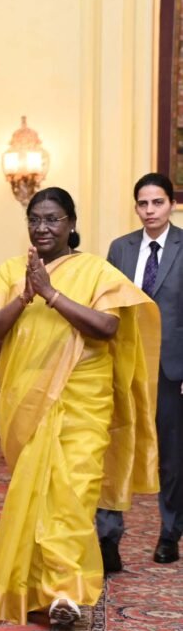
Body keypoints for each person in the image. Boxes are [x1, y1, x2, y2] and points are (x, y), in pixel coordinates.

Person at [0, 187, 159, 628]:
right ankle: (37, 587)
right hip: (30, 403)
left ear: (71, 224)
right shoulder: (12, 272)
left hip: (84, 402)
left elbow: (108, 326)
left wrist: (51, 294)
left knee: (73, 495)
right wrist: (24, 296)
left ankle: (66, 593)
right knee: (36, 497)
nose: (42, 227)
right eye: (35, 219)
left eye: (53, 219)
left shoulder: (95, 270)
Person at [97, 172, 183, 568]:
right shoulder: (121, 248)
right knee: (116, 449)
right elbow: (107, 306)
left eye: (157, 202)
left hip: (169, 369)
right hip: (124, 366)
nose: (150, 210)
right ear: (136, 207)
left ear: (172, 205)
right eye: (143, 203)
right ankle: (109, 539)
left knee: (171, 456)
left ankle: (170, 533)